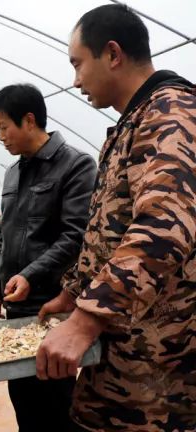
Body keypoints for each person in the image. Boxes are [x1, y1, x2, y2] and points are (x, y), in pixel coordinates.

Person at [35, 4, 196, 431]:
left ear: (112, 54)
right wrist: (72, 294)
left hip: (158, 371)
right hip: (124, 356)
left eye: (77, 63)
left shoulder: (171, 114)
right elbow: (110, 229)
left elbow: (165, 227)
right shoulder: (133, 122)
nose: (75, 80)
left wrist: (86, 319)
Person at [0, 83, 97, 431]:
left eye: (4, 127)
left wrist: (31, 274)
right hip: (15, 303)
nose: (1, 137)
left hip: (51, 304)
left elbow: (75, 236)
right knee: (23, 398)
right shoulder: (13, 172)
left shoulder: (76, 165)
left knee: (53, 399)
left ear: (29, 120)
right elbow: (4, 234)